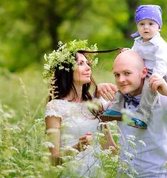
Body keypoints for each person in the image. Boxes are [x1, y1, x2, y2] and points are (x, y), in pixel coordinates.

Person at [44, 40, 116, 176]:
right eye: (81, 64)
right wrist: (77, 147)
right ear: (66, 70)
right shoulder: (55, 107)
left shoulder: (95, 104)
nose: (88, 67)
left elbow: (111, 150)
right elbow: (53, 160)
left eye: (87, 63)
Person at [101, 4, 167, 129]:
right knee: (124, 83)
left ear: (159, 27)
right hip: (141, 71)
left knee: (147, 89)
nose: (146, 27)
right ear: (137, 27)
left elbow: (162, 62)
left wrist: (156, 76)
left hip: (158, 74)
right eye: (142, 24)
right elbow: (134, 54)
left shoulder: (160, 45)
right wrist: (127, 52)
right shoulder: (138, 41)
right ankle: (116, 108)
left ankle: (142, 117)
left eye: (151, 24)